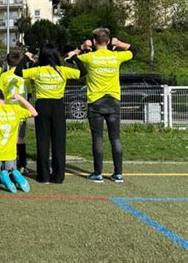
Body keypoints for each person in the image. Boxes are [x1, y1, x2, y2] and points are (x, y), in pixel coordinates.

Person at [15, 44, 87, 184]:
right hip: (58, 106)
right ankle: (59, 176)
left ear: (42, 56)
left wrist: (26, 57)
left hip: (42, 106)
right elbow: (83, 72)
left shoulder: (37, 71)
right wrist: (75, 58)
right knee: (59, 142)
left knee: (42, 142)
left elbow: (18, 72)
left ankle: (44, 176)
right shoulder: (63, 70)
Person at [75, 28, 137, 183]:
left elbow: (69, 57)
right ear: (108, 41)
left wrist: (82, 47)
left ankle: (98, 173)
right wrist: (120, 43)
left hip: (96, 100)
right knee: (115, 138)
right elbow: (134, 50)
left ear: (94, 41)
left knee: (98, 138)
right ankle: (118, 174)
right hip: (114, 100)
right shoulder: (116, 56)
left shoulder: (89, 57)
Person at [0, 50, 32, 173]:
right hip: (21, 111)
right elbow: (29, 94)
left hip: (7, 112)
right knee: (20, 138)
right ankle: (22, 164)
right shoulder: (25, 75)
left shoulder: (4, 76)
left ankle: (5, 164)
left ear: (7, 62)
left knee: (7, 138)